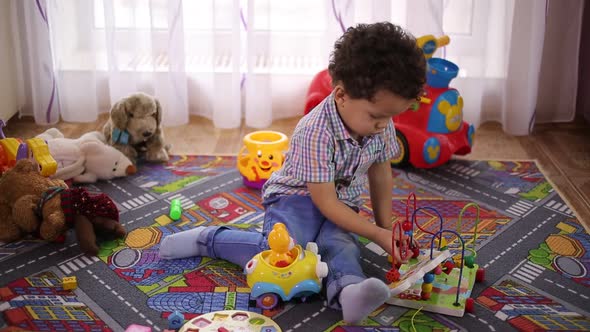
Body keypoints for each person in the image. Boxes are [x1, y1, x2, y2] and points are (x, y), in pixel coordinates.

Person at [159, 21, 426, 323]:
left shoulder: (381, 125)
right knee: (285, 251)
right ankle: (206, 240)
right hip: (296, 198)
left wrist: (385, 225)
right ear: (341, 95)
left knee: (340, 245)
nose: (384, 125)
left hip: (343, 202)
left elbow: (380, 171)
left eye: (391, 116)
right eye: (377, 116)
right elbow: (325, 203)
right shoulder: (315, 131)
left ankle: (349, 291)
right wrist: (376, 233)